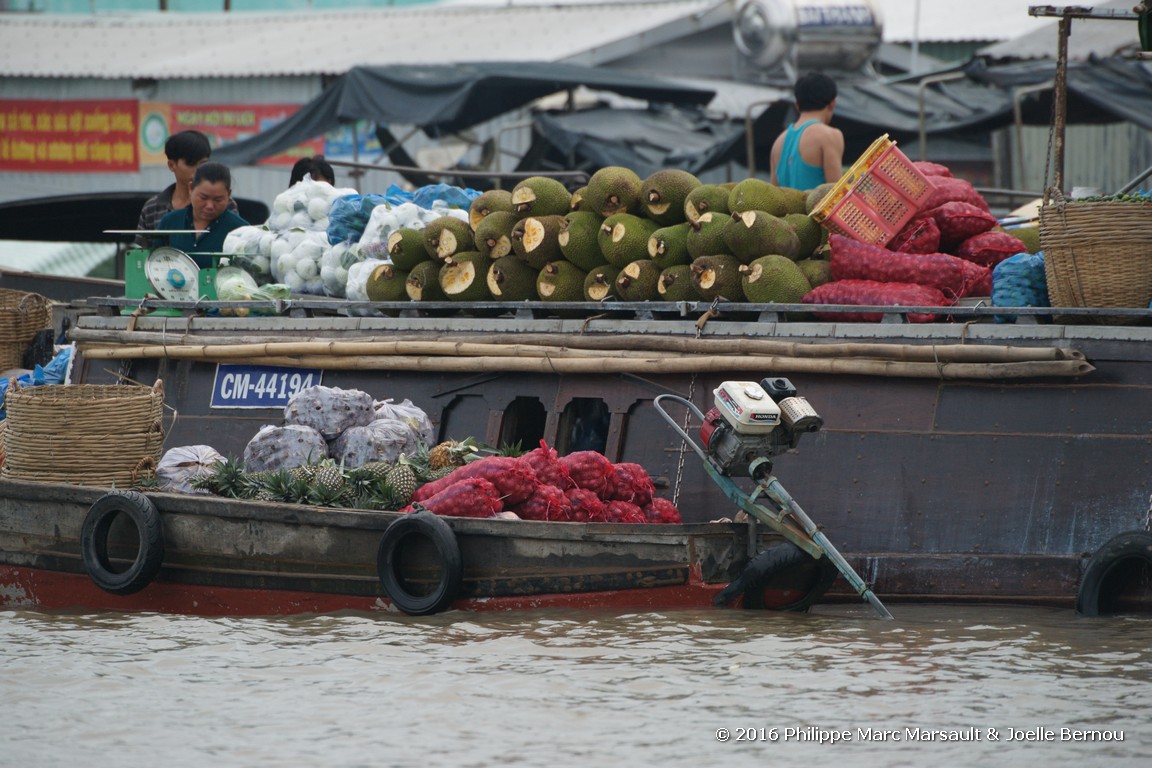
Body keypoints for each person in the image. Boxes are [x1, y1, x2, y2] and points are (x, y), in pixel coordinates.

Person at [136, 130, 237, 245]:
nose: (199, 170)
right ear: (171, 165)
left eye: (203, 163)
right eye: (191, 164)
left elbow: (235, 246)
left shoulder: (225, 204)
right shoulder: (153, 208)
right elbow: (142, 255)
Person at [156, 162, 248, 267]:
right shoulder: (169, 222)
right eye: (203, 198)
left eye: (218, 200)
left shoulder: (241, 231)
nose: (210, 206)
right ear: (191, 189)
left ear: (229, 195)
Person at [770, 72, 845, 190]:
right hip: (818, 209)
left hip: (790, 209)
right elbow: (836, 194)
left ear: (797, 105)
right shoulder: (830, 136)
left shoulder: (778, 143)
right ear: (832, 103)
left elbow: (773, 197)